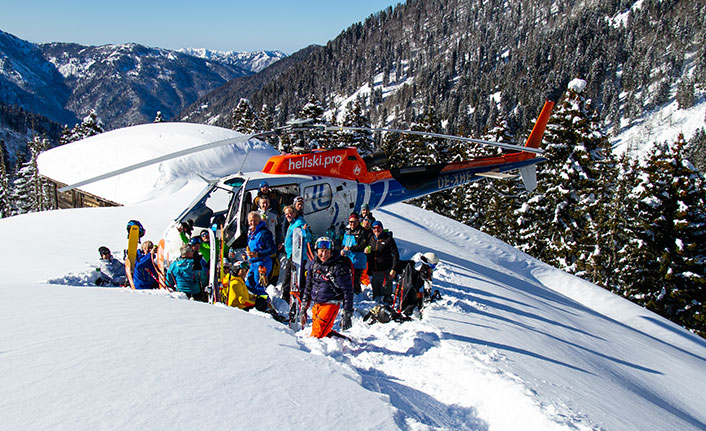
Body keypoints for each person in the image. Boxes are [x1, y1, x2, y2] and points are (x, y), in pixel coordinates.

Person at [301, 237, 354, 338]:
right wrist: (304, 307)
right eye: (321, 251)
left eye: (327, 251)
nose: (324, 255)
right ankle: (336, 337)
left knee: (316, 335)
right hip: (316, 304)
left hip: (330, 304)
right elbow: (308, 287)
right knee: (320, 330)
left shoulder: (338, 267)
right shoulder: (314, 265)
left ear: (332, 251)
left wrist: (347, 312)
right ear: (317, 251)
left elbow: (348, 291)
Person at [245, 211, 277, 311]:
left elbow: (272, 249)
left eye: (255, 220)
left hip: (262, 263)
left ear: (259, 220)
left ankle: (266, 306)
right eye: (251, 221)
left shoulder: (264, 233)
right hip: (253, 263)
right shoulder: (251, 232)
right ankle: (255, 305)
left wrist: (258, 254)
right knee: (249, 285)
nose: (253, 223)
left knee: (259, 286)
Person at [281, 204, 312, 303]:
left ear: (294, 213)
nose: (288, 216)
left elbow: (306, 237)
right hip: (292, 254)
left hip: (297, 255)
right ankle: (300, 294)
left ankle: (286, 297)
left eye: (290, 213)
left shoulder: (299, 223)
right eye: (286, 214)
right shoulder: (292, 223)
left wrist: (305, 232)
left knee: (291, 276)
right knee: (296, 275)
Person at [366, 221, 399, 302]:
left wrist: (394, 269)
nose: (376, 230)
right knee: (376, 295)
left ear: (382, 229)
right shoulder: (371, 239)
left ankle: (388, 311)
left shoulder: (388, 239)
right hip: (374, 271)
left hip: (385, 272)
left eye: (378, 228)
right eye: (374, 228)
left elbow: (396, 255)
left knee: (386, 296)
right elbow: (370, 255)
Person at [341, 212, 371, 294]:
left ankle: (357, 295)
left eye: (354, 222)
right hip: (348, 260)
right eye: (351, 222)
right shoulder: (347, 232)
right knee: (348, 279)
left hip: (358, 261)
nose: (352, 224)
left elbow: (362, 246)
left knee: (355, 280)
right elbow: (343, 244)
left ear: (358, 222)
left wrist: (351, 248)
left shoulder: (362, 232)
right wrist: (343, 250)